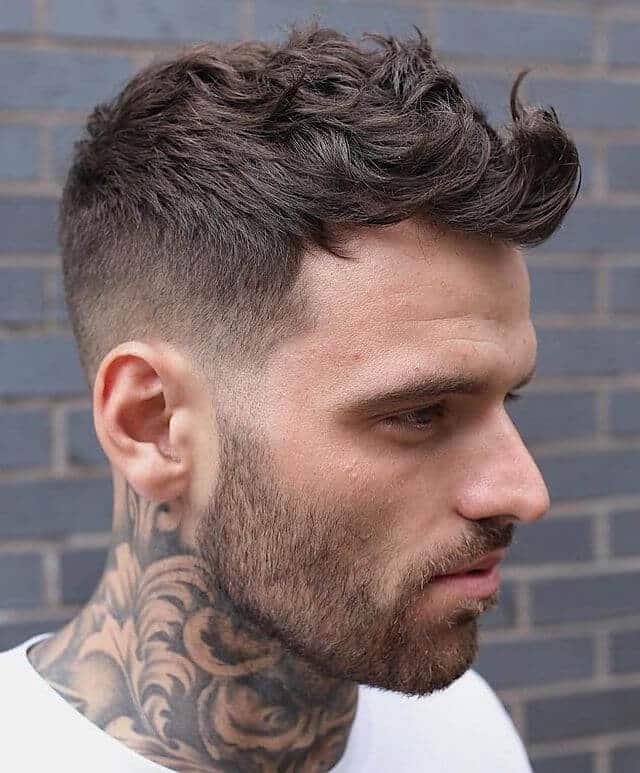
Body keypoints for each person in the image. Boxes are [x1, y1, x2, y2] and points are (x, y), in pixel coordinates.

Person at [0, 21, 580, 773]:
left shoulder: (467, 732)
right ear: (154, 423)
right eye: (419, 412)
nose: (525, 492)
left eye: (510, 399)